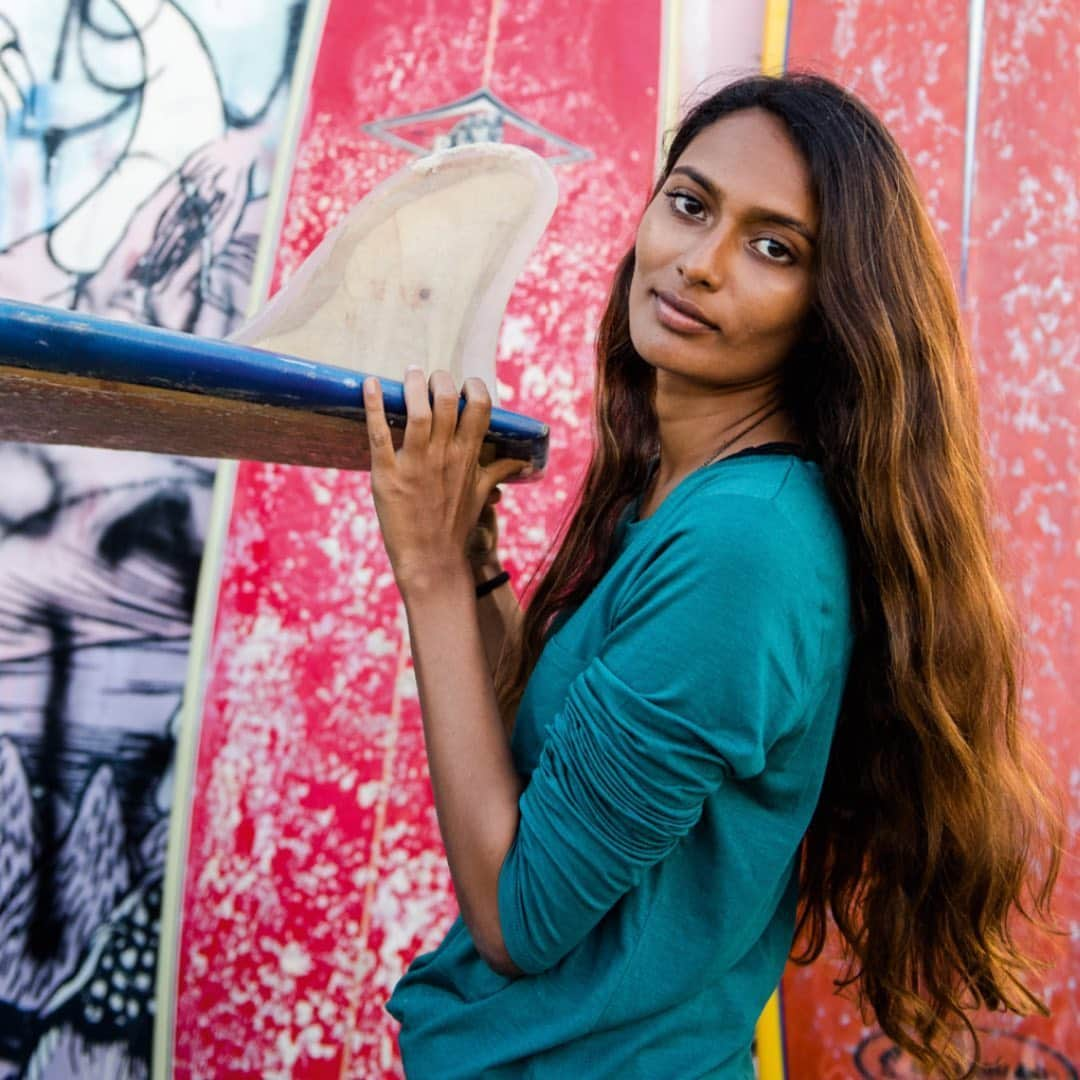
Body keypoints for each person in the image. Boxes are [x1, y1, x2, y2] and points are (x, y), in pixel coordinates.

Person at [363, 72, 1061, 1079]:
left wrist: (427, 571)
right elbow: (544, 764)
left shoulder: (746, 546)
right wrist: (469, 551)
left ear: (831, 308)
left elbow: (521, 918)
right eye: (689, 205)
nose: (699, 264)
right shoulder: (683, 495)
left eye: (773, 247)